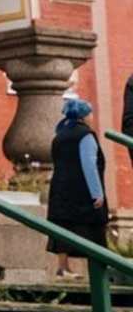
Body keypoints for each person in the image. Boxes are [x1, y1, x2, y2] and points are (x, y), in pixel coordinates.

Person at [46, 98, 108, 280]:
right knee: (93, 229)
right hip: (81, 191)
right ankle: (96, 274)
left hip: (60, 189)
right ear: (84, 116)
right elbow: (89, 163)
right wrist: (97, 192)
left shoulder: (59, 137)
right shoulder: (85, 135)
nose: (92, 117)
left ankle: (63, 268)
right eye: (90, 113)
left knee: (63, 225)